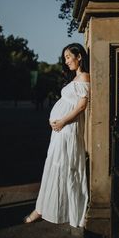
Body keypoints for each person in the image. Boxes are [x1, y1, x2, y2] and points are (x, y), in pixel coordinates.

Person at [24, 43, 90, 227]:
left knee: (65, 165)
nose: (66, 61)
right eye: (65, 58)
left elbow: (81, 106)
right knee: (55, 164)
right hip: (62, 130)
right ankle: (43, 207)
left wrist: (62, 122)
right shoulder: (76, 77)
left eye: (69, 57)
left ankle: (58, 209)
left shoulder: (84, 76)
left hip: (69, 128)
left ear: (79, 57)